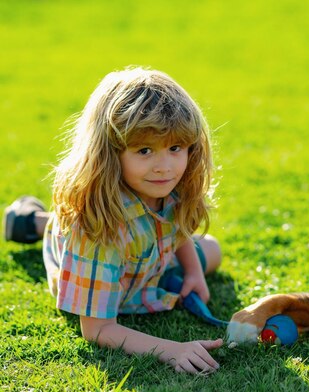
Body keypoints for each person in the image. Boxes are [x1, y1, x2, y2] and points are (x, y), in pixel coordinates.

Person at [3, 67, 224, 374]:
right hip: (103, 260)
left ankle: (39, 221)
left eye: (175, 148)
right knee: (65, 228)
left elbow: (179, 228)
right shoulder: (95, 226)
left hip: (143, 262)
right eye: (144, 150)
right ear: (110, 153)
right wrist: (172, 349)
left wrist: (193, 274)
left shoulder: (171, 187)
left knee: (211, 250)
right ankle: (34, 223)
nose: (164, 167)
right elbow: (97, 329)